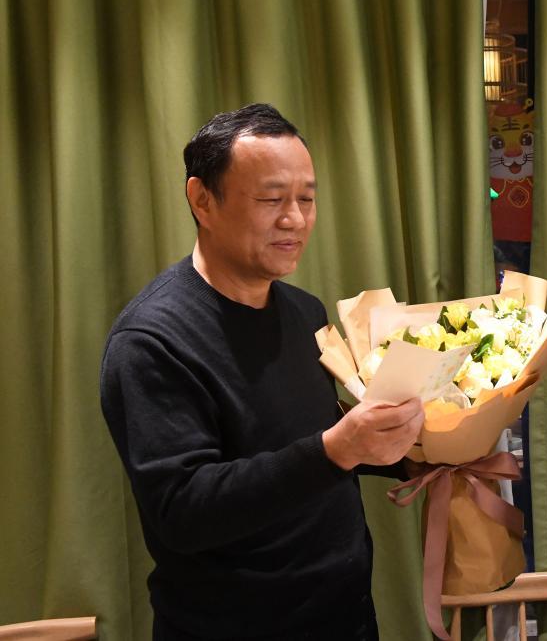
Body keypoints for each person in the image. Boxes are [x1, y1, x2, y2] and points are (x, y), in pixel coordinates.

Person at [100, 104, 424, 640]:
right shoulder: (152, 340)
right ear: (202, 200)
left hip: (345, 615)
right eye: (272, 199)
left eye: (306, 199)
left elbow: (301, 442)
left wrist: (413, 452)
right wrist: (337, 449)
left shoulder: (304, 311)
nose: (294, 219)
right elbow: (182, 511)